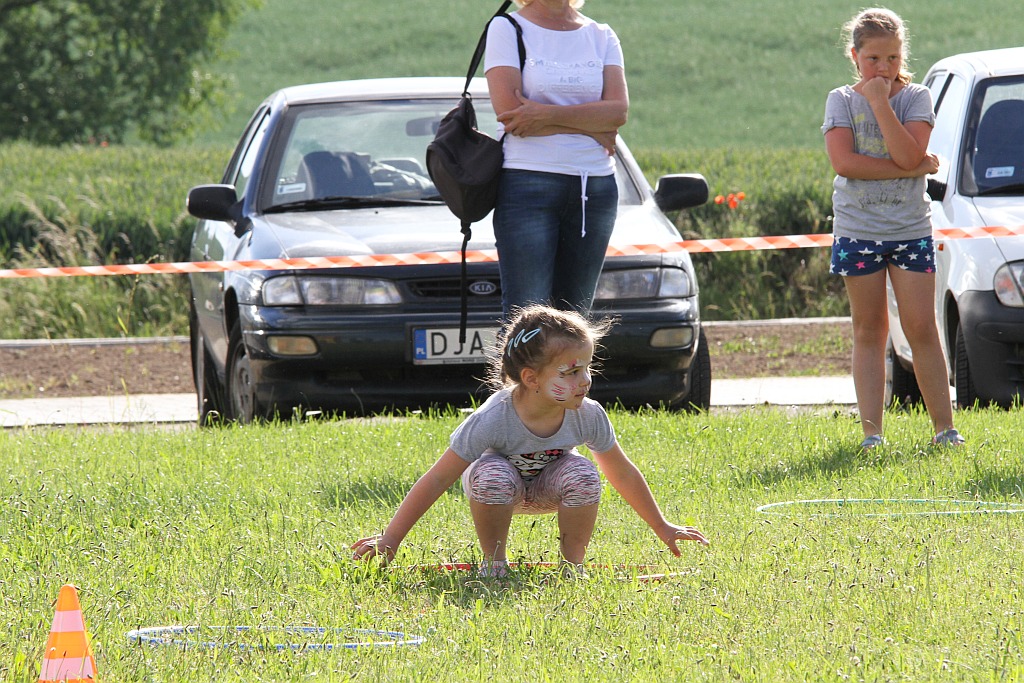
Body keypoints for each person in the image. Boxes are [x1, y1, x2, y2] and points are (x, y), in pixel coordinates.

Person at [352, 305, 708, 577]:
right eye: (570, 372)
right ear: (531, 378)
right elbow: (436, 479)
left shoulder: (587, 412)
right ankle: (495, 566)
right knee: (492, 473)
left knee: (584, 472)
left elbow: (622, 473)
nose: (583, 381)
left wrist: (662, 525)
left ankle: (573, 568)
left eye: (586, 367)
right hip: (496, 488)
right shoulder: (494, 418)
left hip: (548, 489)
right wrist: (389, 541)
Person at [822, 8, 964, 450]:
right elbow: (845, 163)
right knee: (869, 330)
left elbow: (907, 154)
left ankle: (945, 429)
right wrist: (913, 167)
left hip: (910, 230)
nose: (883, 69)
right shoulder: (840, 100)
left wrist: (882, 105)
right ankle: (872, 435)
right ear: (855, 56)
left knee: (922, 328)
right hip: (857, 230)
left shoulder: (917, 97)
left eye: (893, 58)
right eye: (873, 60)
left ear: (904, 55)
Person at [484, 0, 627, 316]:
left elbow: (617, 112)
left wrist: (544, 115)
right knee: (527, 317)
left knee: (576, 322)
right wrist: (592, 127)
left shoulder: (601, 35)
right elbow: (512, 116)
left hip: (596, 188)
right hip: (527, 183)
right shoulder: (506, 28)